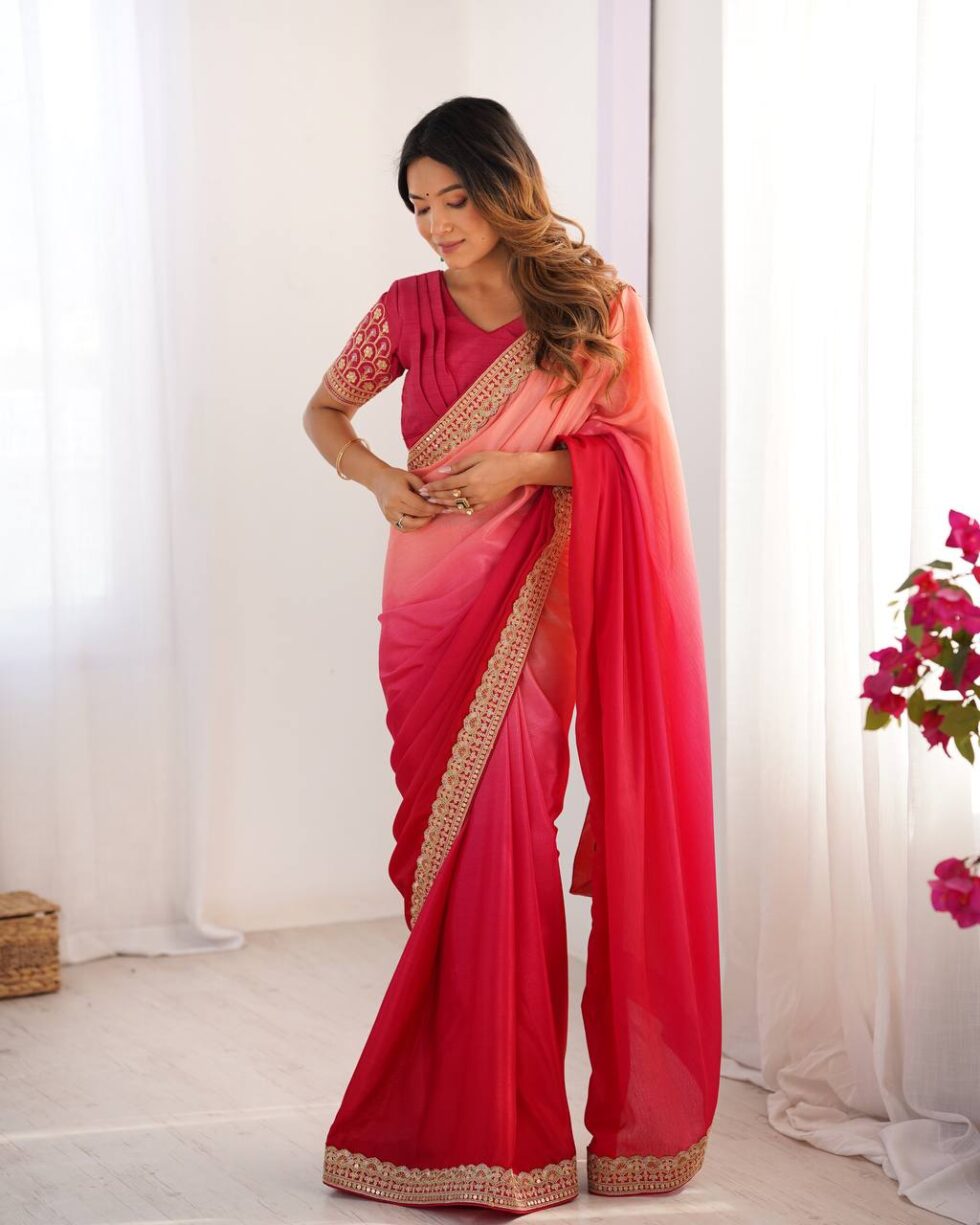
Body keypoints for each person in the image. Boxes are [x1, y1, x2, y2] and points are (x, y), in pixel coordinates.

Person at [302, 96, 721, 1215]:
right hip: (425, 602)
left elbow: (641, 459)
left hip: (536, 604)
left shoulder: (592, 304)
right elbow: (325, 411)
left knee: (509, 835)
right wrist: (379, 480)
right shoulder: (404, 309)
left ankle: (512, 1131)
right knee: (448, 846)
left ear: (505, 185)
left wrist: (525, 470)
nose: (437, 224)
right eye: (418, 205)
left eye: (455, 198)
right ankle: (456, 1122)